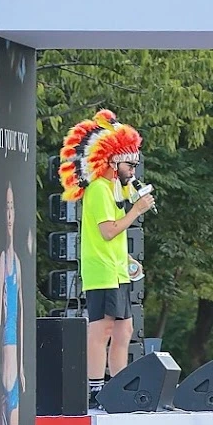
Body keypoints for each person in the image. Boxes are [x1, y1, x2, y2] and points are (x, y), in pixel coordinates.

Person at [58, 110, 154, 408]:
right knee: (103, 328)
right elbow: (108, 230)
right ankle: (95, 388)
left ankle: (119, 386)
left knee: (125, 329)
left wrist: (127, 260)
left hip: (117, 269)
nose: (133, 170)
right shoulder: (99, 188)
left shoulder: (117, 189)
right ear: (113, 161)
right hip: (101, 271)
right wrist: (136, 210)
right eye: (129, 164)